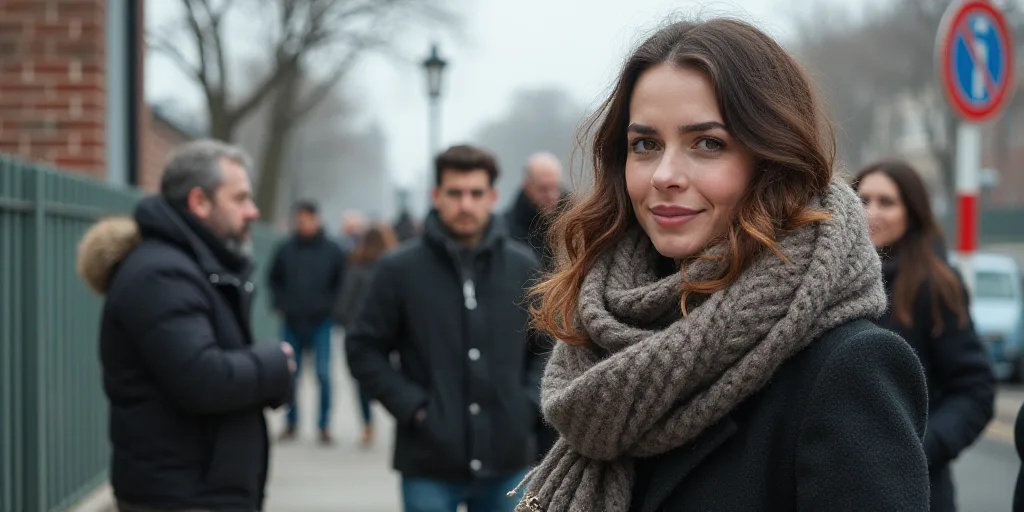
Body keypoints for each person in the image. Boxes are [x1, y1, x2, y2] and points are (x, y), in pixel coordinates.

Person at [511, 18, 930, 512]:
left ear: (772, 160)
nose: (665, 175)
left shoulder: (848, 368)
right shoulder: (600, 339)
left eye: (707, 143)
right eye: (645, 145)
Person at [75, 139, 295, 512]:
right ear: (199, 202)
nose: (252, 212)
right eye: (239, 199)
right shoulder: (161, 275)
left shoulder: (191, 266)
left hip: (199, 490)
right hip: (181, 496)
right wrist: (275, 363)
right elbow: (203, 378)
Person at [346, 144, 546, 512]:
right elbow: (362, 347)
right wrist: (414, 407)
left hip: (508, 461)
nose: (465, 204)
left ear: (493, 196)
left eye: (475, 193)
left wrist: (526, 403)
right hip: (428, 461)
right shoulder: (399, 269)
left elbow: (548, 347)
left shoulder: (523, 266)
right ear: (437, 195)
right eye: (455, 193)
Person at [853, 160, 995, 512]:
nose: (872, 212)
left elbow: (975, 390)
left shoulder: (935, 285)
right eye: (862, 199)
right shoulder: (835, 282)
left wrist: (915, 449)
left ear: (911, 213)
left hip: (914, 492)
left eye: (886, 202)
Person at [269, 200, 347, 444]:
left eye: (307, 218)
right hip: (292, 320)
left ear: (317, 219)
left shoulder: (333, 250)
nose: (302, 224)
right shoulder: (285, 249)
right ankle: (291, 423)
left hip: (322, 321)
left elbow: (342, 283)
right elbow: (274, 279)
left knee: (323, 374)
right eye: (299, 219)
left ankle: (324, 425)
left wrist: (331, 308)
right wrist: (282, 304)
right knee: (292, 374)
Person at [332, 222, 400, 448]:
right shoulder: (394, 268)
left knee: (362, 379)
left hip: (358, 333)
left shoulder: (356, 267)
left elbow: (344, 303)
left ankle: (368, 424)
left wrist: (346, 323)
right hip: (389, 335)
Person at [505, 152, 566, 269]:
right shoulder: (508, 228)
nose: (550, 196)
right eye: (543, 189)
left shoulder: (575, 221)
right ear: (527, 187)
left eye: (555, 187)